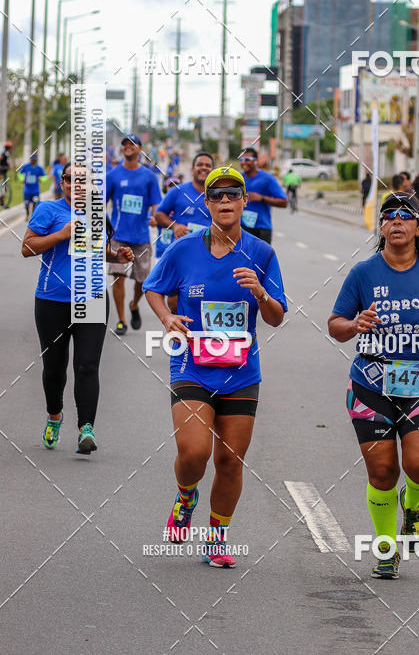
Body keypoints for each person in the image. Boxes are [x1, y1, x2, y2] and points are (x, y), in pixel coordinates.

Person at [143, 166, 287, 568]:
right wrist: (167, 318)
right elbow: (152, 288)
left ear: (244, 201)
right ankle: (186, 495)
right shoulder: (184, 249)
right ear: (206, 203)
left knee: (229, 460)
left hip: (241, 372)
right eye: (217, 195)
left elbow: (277, 316)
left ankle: (217, 537)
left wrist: (261, 293)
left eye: (233, 194)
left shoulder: (262, 253)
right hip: (191, 365)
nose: (225, 201)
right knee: (194, 453)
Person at [328, 192, 419, 580]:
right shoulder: (363, 273)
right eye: (389, 215)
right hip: (370, 386)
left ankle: (413, 504)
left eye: (406, 215)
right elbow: (335, 324)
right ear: (381, 227)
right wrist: (355, 324)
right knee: (383, 471)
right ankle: (387, 549)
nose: (397, 220)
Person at [21, 162, 134, 453]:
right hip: (52, 300)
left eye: (83, 180)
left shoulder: (98, 215)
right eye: (71, 179)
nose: (77, 185)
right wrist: (60, 234)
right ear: (63, 182)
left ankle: (86, 429)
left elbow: (98, 251)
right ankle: (54, 416)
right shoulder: (48, 210)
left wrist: (117, 256)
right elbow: (27, 248)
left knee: (87, 365)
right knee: (54, 368)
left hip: (92, 298)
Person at [106, 134, 161, 335]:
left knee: (143, 281)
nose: (128, 146)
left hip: (141, 237)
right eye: (125, 144)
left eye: (132, 144)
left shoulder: (149, 177)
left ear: (140, 148)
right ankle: (121, 320)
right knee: (118, 277)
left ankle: (134, 304)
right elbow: (100, 203)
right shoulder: (112, 175)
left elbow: (156, 205)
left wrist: (155, 217)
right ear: (122, 149)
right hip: (118, 235)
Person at [155, 152, 213, 250]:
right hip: (180, 249)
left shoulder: (219, 196)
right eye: (200, 164)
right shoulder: (177, 191)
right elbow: (158, 214)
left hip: (207, 251)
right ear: (192, 170)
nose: (204, 167)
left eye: (208, 165)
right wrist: (175, 226)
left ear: (213, 170)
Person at [238, 148, 287, 244]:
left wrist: (261, 198)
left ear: (255, 161)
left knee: (262, 254)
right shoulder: (238, 178)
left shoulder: (267, 178)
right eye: (241, 159)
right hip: (241, 228)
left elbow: (284, 202)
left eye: (247, 159)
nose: (243, 162)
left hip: (261, 229)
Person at [20, 154, 46, 218]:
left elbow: (45, 177)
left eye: (34, 160)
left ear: (36, 160)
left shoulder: (39, 168)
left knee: (35, 203)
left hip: (35, 190)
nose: (33, 161)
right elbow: (20, 174)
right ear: (30, 160)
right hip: (27, 190)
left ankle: (33, 215)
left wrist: (41, 179)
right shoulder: (26, 166)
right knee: (27, 204)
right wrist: (22, 179)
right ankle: (27, 213)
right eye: (32, 160)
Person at [0, 140, 12, 207]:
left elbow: (7, 161)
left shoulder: (6, 153)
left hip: (4, 172)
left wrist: (8, 166)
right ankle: (3, 203)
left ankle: (3, 203)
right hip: (1, 172)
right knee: (2, 187)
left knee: (4, 187)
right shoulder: (3, 153)